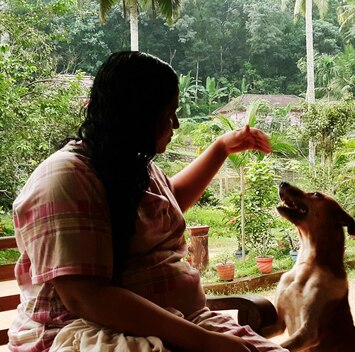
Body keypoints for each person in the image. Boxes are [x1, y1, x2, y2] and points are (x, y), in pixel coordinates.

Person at [9, 51, 288, 352]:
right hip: (87, 334)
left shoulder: (129, 165)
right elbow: (85, 297)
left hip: (180, 324)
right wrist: (206, 342)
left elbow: (167, 206)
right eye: (169, 112)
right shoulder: (67, 177)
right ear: (137, 114)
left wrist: (221, 148)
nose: (177, 124)